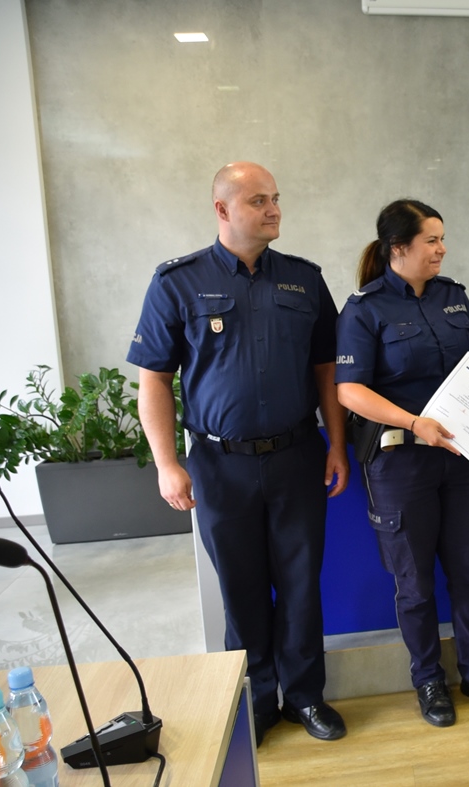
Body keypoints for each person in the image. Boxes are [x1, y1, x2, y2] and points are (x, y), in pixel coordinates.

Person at [128, 162, 349, 745]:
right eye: (258, 200)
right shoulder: (176, 282)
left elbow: (327, 370)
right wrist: (167, 463)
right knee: (241, 587)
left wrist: (337, 445)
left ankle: (305, 697)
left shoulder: (304, 280)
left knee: (301, 584)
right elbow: (154, 379)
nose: (274, 209)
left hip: (297, 456)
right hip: (220, 465)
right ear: (223, 210)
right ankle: (254, 702)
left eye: (275, 198)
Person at [334, 199, 469, 728]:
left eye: (442, 239)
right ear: (399, 248)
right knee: (414, 584)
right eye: (431, 240)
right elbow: (349, 391)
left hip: (460, 457)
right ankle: (429, 681)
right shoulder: (364, 309)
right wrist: (415, 422)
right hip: (400, 463)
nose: (442, 249)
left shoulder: (453, 297)